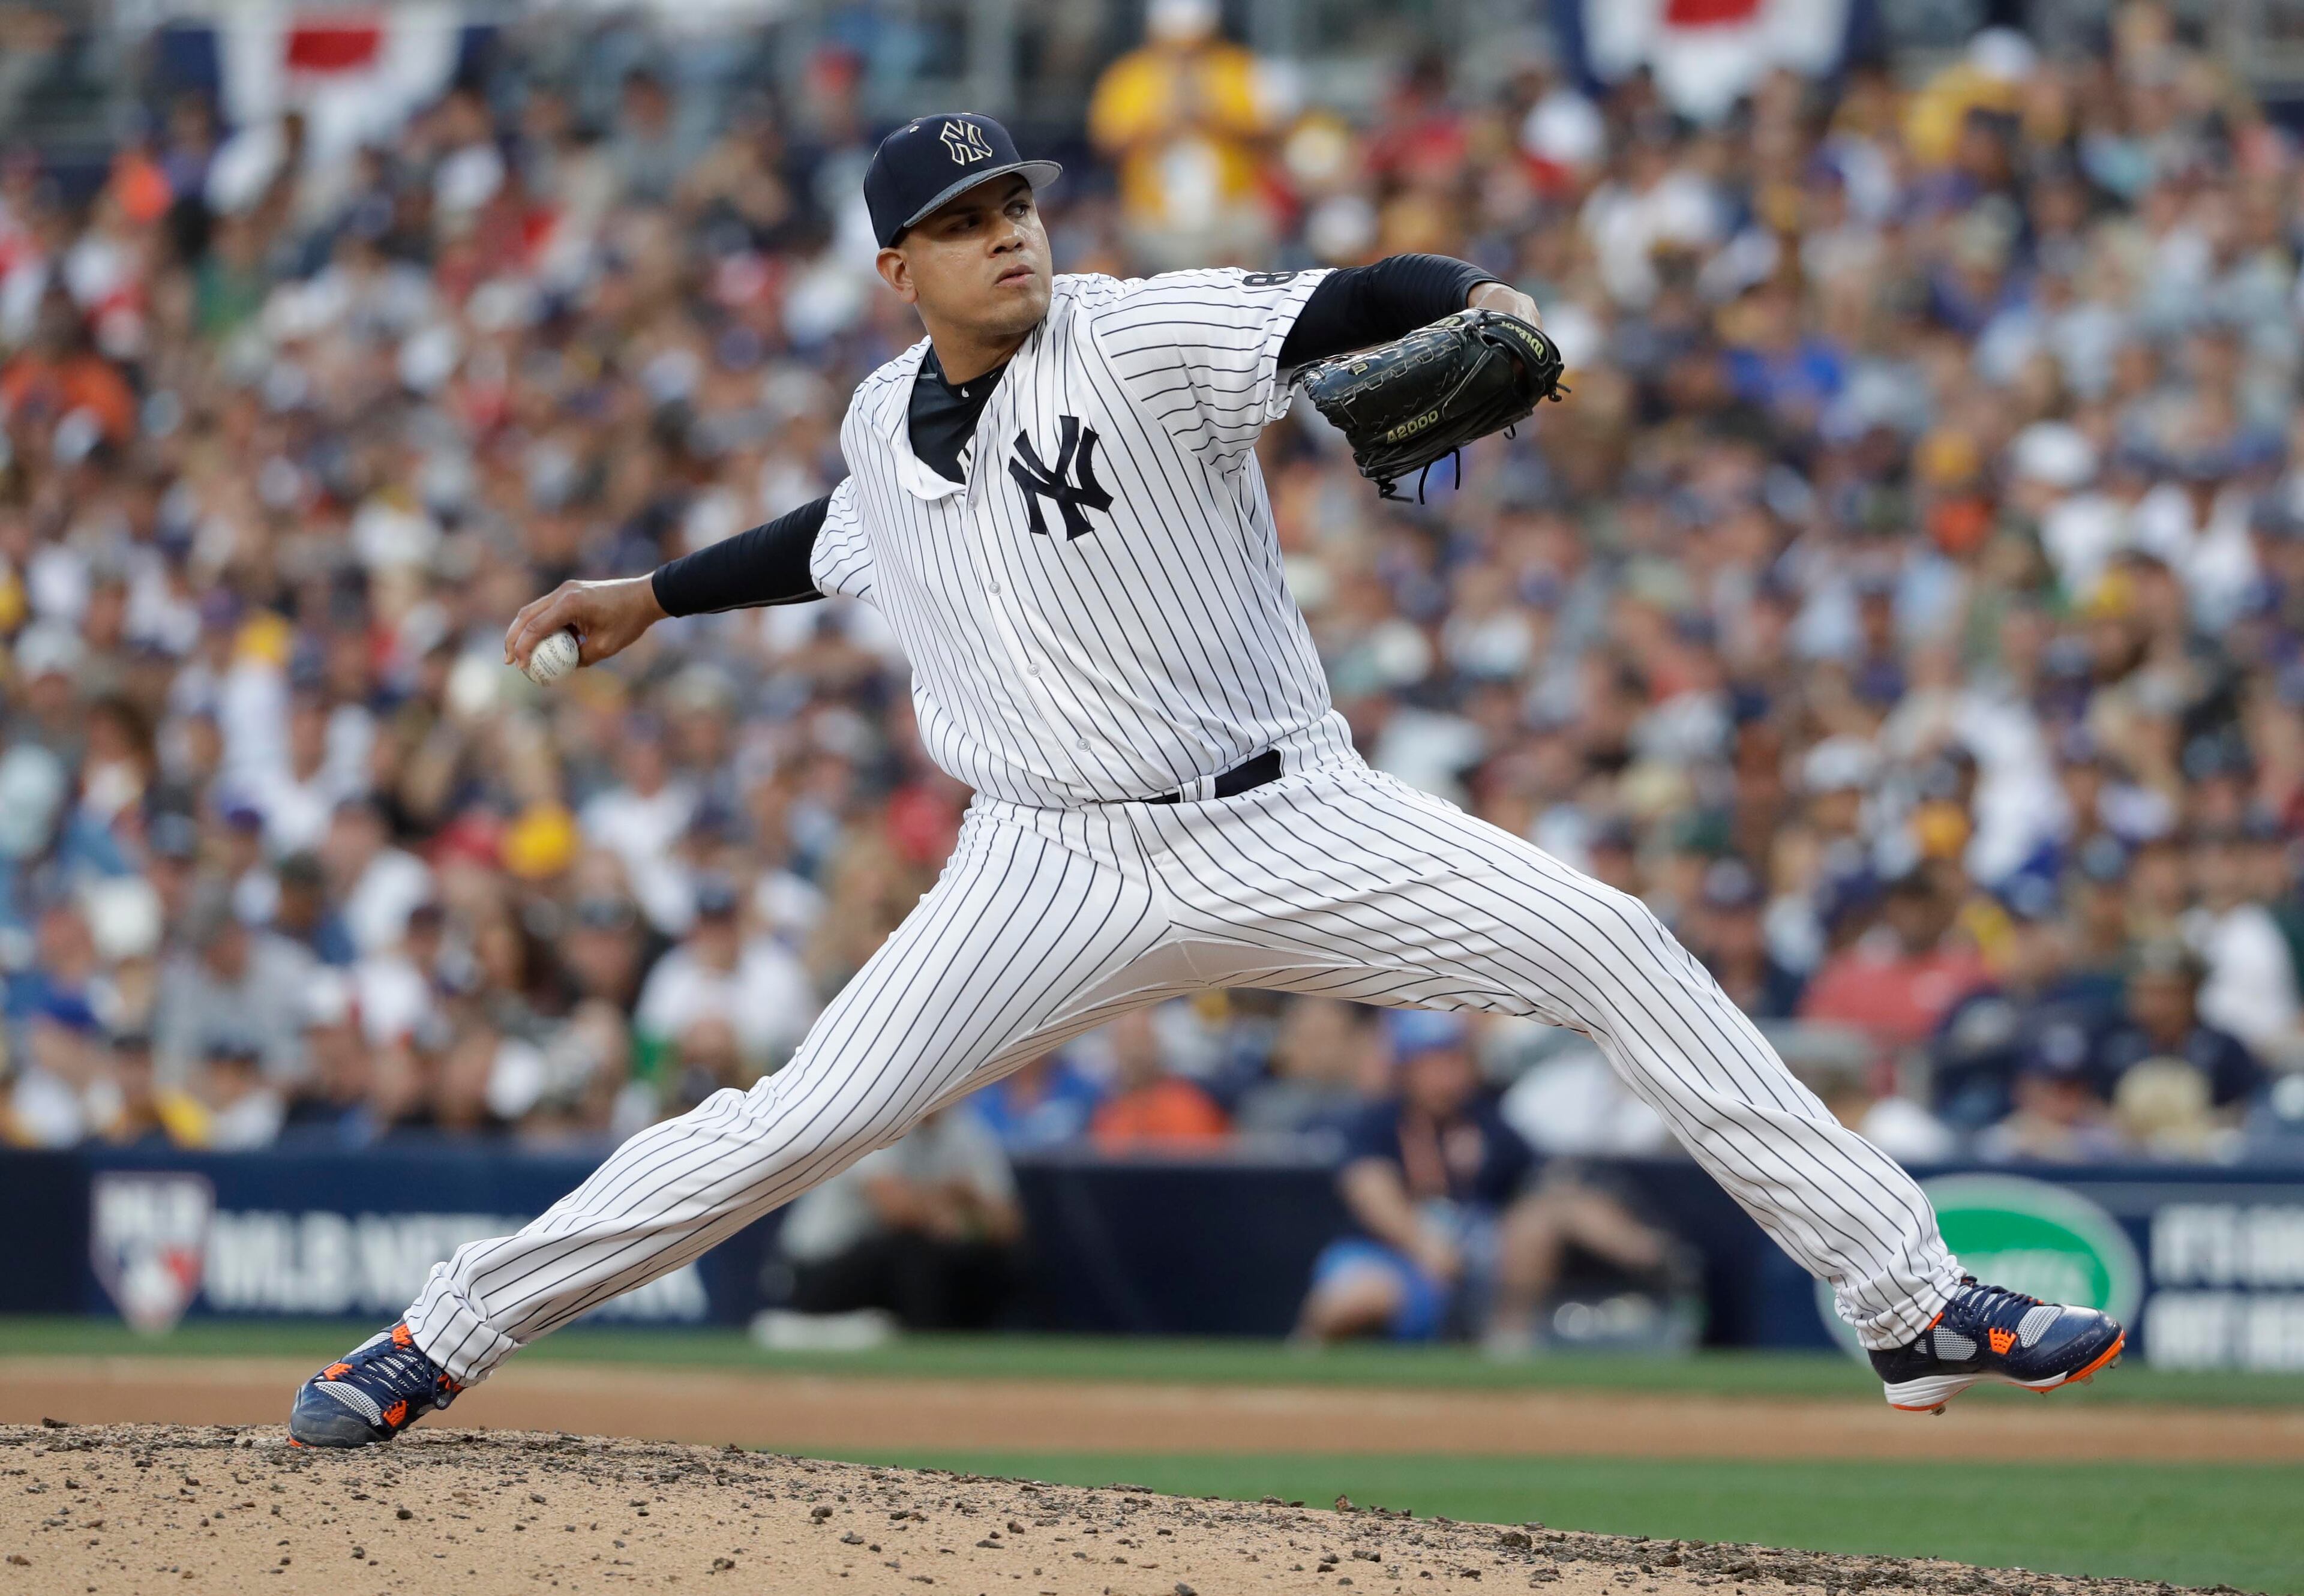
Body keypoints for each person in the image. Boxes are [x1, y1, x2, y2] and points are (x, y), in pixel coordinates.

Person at [289, 112, 2124, 1446]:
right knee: (787, 1122)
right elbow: (842, 531)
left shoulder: (1138, 334)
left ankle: (1906, 1298)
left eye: (1015, 200)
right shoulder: (877, 415)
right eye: (962, 217)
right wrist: (656, 595)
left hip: (1282, 815)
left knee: (1609, 938)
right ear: (896, 268)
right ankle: (440, 1332)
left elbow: (1339, 303)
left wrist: (1465, 292)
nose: (1008, 234)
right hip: (1038, 870)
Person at [1297, 1012, 1677, 1354]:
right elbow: (1368, 1187)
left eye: (1454, 1058)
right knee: (1359, 1297)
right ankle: (1302, 1365)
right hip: (1394, 1259)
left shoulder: (1490, 1123)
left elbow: (1549, 1188)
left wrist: (1633, 1242)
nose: (1446, 1074)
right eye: (1432, 1061)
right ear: (1407, 1068)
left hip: (1475, 1262)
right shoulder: (1380, 1121)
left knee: (1541, 1219)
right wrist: (1421, 1243)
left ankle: (1508, 1347)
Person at [766, 1106, 1024, 1333]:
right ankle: (924, 1346)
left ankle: (970, 1346)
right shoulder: (875, 1120)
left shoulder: (967, 1131)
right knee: (911, 1248)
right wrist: (952, 1201)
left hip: (893, 1264)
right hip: (818, 1264)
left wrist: (967, 1217)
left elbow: (1010, 1225)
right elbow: (896, 1211)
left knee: (989, 1256)